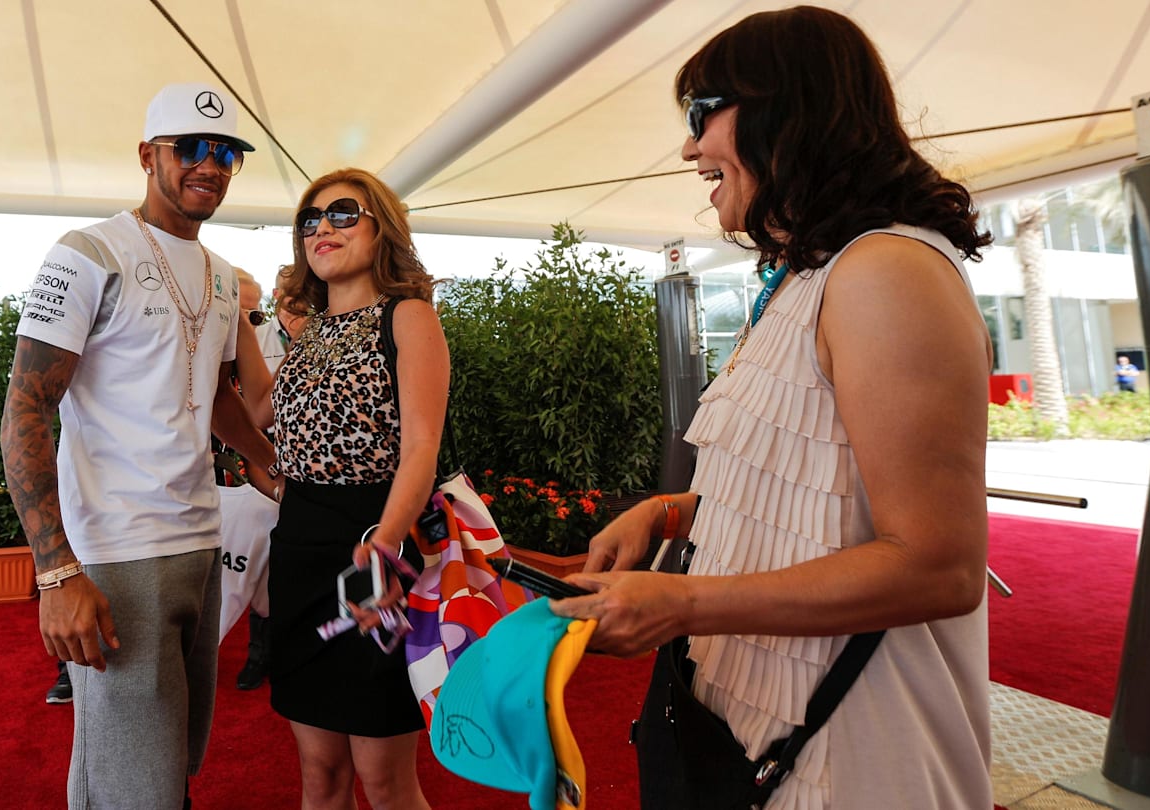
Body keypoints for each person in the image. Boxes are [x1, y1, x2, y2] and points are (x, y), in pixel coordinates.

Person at [551, 7, 995, 808]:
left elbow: (939, 565)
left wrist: (681, 601)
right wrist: (667, 514)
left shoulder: (887, 272)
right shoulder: (803, 279)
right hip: (748, 734)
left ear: (786, 112)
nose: (687, 147)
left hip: (849, 754)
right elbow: (803, 491)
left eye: (700, 114)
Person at [1, 81, 274, 810]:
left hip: (199, 537)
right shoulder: (88, 253)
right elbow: (26, 408)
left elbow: (214, 397)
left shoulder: (220, 275)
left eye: (226, 154)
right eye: (192, 148)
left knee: (170, 763)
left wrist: (269, 464)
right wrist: (56, 572)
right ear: (149, 155)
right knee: (127, 783)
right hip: (117, 552)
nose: (210, 166)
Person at [247, 168, 447, 810]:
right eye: (309, 219)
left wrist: (387, 547)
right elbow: (259, 419)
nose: (321, 228)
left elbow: (421, 446)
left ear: (380, 227)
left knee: (384, 778)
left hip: (374, 548)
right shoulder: (304, 336)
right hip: (301, 554)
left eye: (341, 213)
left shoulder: (407, 317)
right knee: (320, 771)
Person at [229, 268, 307, 691]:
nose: (300, 314)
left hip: (307, 472)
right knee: (260, 566)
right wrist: (268, 475)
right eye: (294, 304)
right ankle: (258, 654)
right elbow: (250, 412)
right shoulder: (254, 336)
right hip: (264, 464)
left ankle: (290, 651)